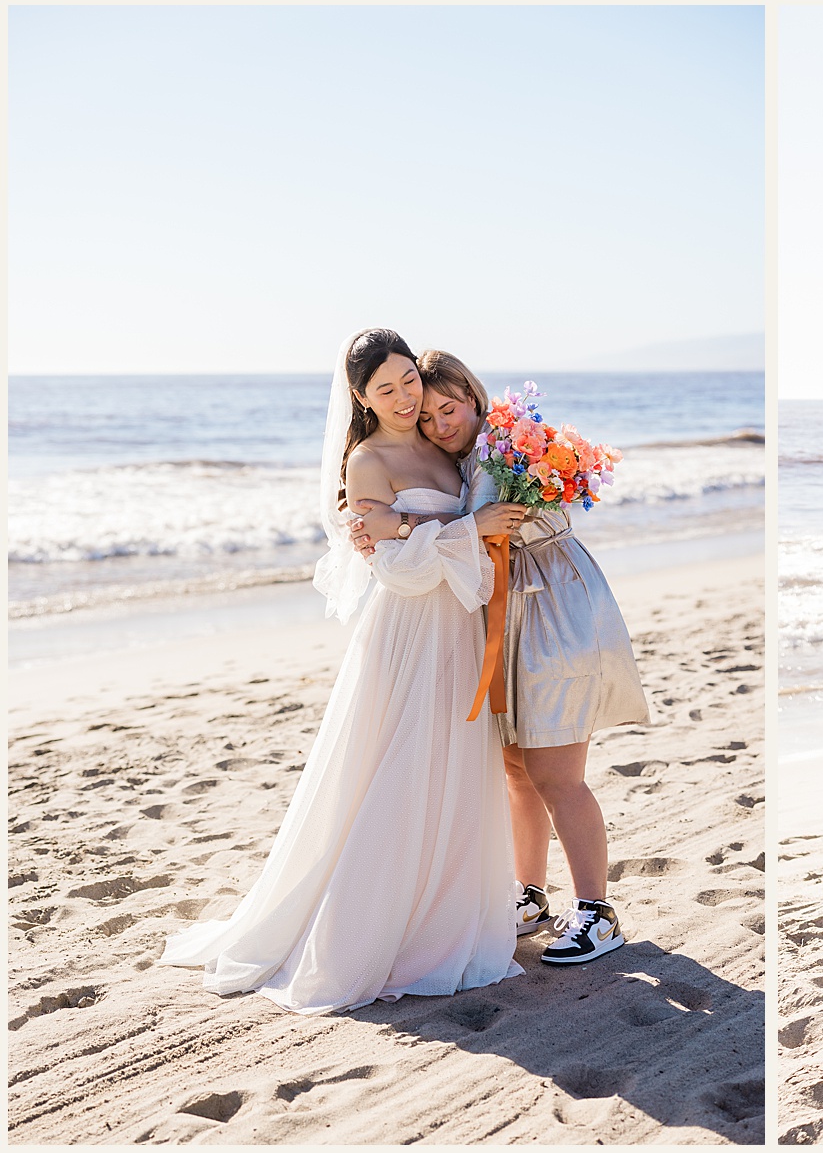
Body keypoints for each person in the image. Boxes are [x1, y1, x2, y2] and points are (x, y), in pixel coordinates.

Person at [160, 329, 528, 1013]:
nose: (402, 398)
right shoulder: (368, 459)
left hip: (460, 626)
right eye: (383, 390)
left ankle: (445, 915)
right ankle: (370, 930)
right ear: (360, 397)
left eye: (408, 382)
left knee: (452, 768)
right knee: (390, 768)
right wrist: (467, 534)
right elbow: (388, 563)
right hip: (408, 628)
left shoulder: (445, 447)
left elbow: (443, 520)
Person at [357, 351, 651, 966]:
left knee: (556, 773)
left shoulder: (500, 452)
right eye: (429, 415)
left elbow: (477, 525)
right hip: (505, 611)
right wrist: (384, 522)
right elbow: (465, 529)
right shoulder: (459, 459)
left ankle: (598, 913)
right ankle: (531, 894)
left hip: (552, 606)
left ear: (474, 397)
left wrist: (392, 522)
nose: (439, 423)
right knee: (516, 766)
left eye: (449, 407)